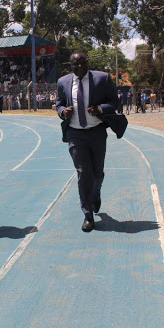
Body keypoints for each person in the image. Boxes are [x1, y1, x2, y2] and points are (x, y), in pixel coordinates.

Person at [56, 51, 127, 232]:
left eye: (82, 62)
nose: (79, 66)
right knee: (83, 172)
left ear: (87, 63)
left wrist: (100, 109)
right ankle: (87, 214)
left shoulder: (102, 79)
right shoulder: (63, 82)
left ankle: (96, 192)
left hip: (96, 133)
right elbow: (59, 104)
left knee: (97, 173)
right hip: (75, 134)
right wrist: (64, 111)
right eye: (75, 64)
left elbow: (115, 102)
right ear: (70, 66)